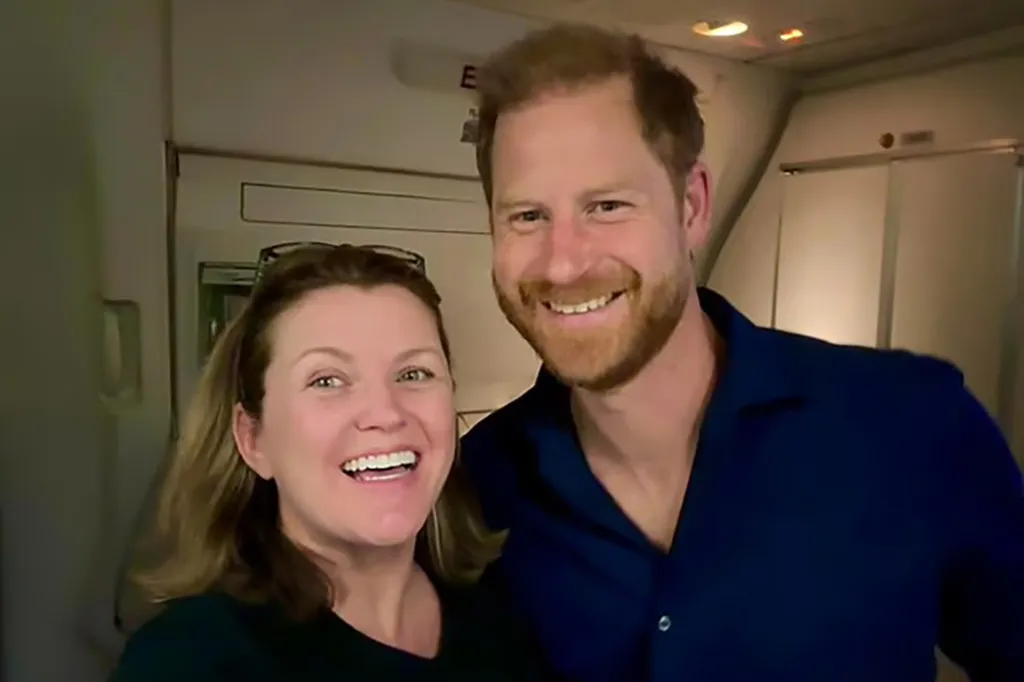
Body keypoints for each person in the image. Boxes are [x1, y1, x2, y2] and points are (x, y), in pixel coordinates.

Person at [460, 22, 1024, 682]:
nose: (563, 264)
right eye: (527, 216)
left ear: (692, 206)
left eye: (607, 205)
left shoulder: (913, 424)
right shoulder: (477, 487)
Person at [108, 243, 553, 682]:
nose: (386, 413)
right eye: (327, 380)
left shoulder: (501, 623)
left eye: (414, 374)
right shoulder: (190, 660)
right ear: (254, 438)